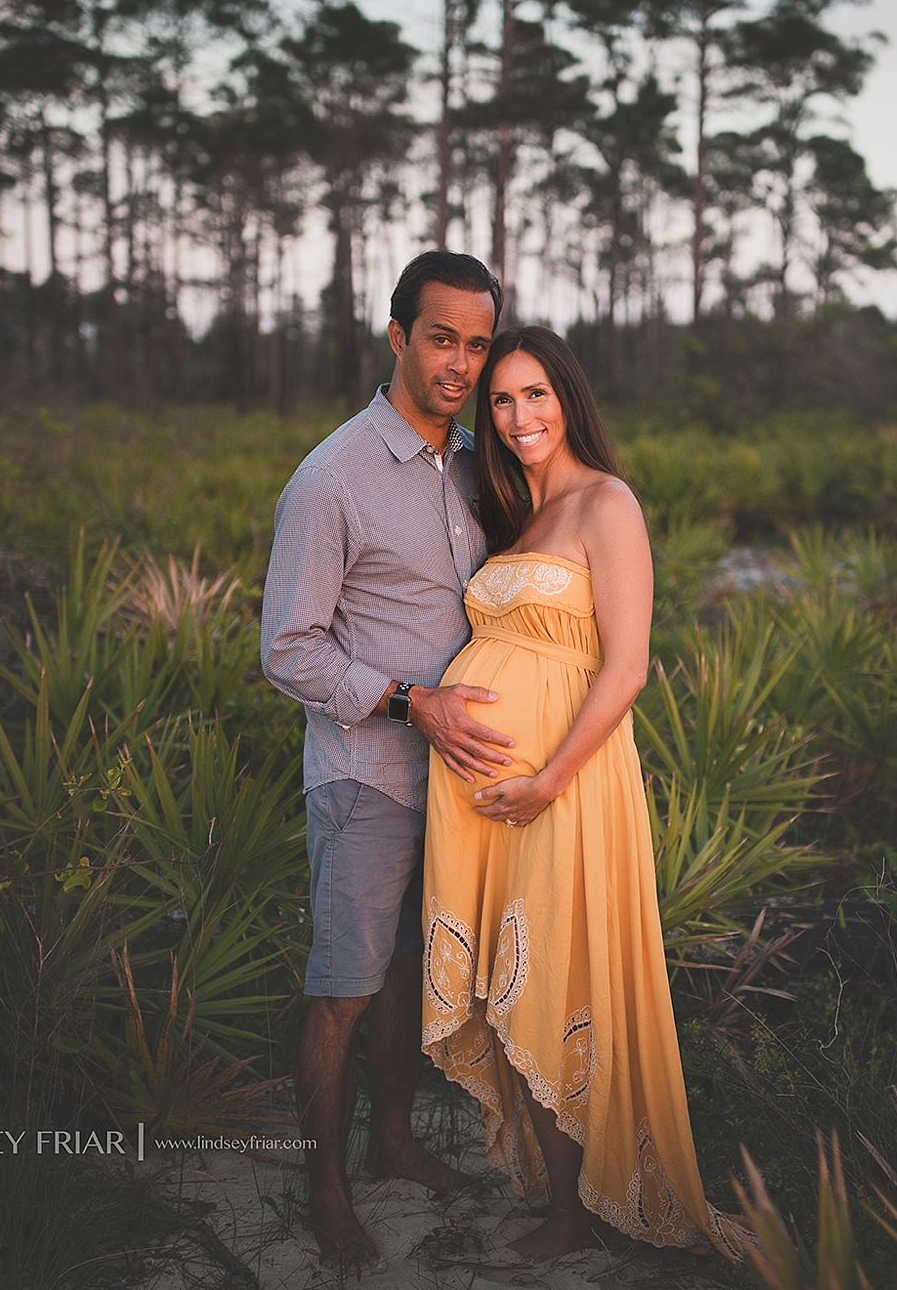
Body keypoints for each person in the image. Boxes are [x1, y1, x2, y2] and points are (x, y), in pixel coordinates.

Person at [420, 326, 752, 1263]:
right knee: (511, 974)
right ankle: (559, 1191)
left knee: (553, 972)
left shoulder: (608, 504)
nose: (519, 416)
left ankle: (575, 1212)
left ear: (568, 398)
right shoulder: (513, 518)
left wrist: (547, 779)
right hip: (488, 793)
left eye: (536, 395)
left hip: (564, 782)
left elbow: (629, 668)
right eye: (501, 400)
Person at [260, 251, 523, 1262]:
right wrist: (411, 703)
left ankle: (396, 1144)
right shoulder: (332, 477)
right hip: (366, 776)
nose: (459, 361)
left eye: (476, 341)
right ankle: (325, 1189)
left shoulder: (474, 461)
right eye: (441, 337)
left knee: (413, 971)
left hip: (460, 786)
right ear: (397, 338)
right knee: (344, 986)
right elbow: (287, 647)